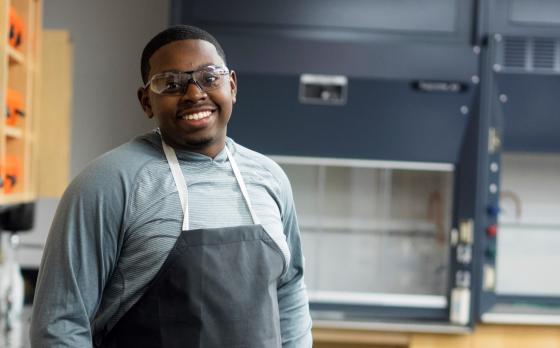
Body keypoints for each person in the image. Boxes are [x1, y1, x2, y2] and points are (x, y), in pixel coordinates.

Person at [30, 25, 312, 347]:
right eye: (170, 83)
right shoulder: (107, 183)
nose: (194, 94)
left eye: (209, 77)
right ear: (146, 101)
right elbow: (60, 324)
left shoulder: (270, 178)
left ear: (231, 86)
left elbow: (289, 289)